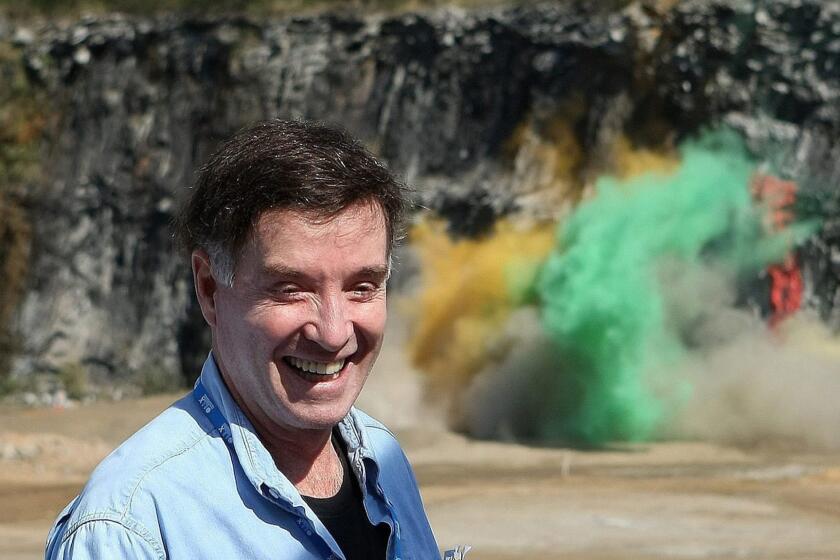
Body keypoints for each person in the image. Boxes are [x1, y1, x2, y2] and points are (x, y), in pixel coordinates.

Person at [45, 119, 440, 560]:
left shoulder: (383, 459)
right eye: (291, 288)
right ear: (209, 289)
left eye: (362, 287)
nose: (333, 333)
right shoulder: (132, 525)